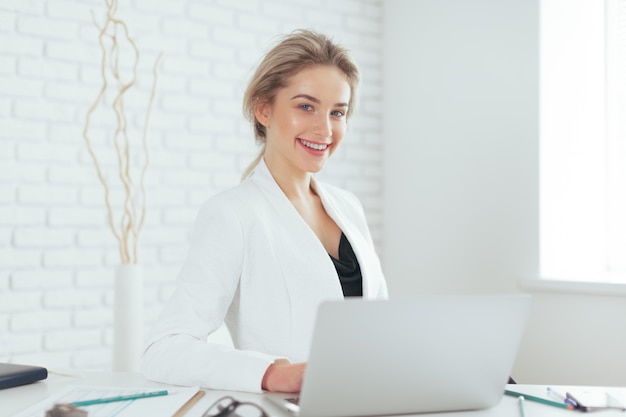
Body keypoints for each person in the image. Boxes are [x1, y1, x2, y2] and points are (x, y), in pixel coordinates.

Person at [141, 29, 388, 394]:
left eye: (338, 112)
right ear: (263, 109)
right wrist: (270, 373)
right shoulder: (233, 215)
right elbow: (163, 349)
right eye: (306, 106)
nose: (325, 129)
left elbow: (382, 325)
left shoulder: (348, 208)